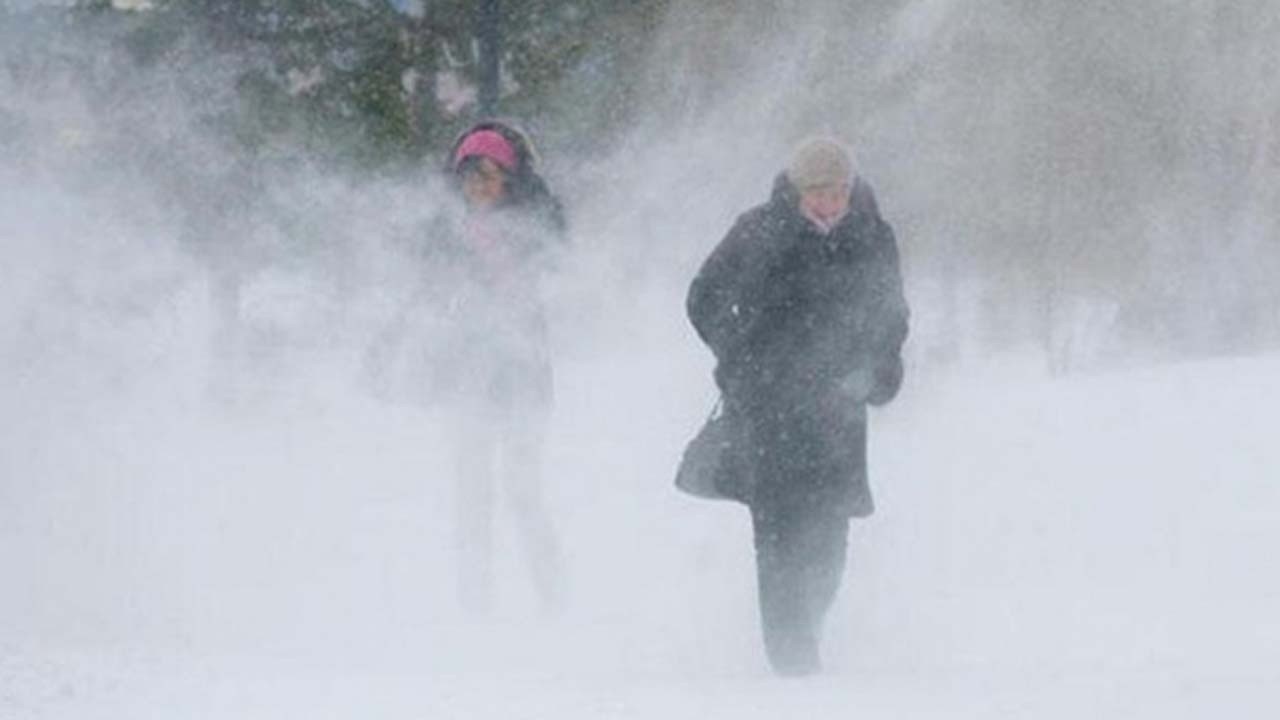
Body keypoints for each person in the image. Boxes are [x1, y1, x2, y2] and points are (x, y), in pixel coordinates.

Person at [686, 137, 909, 675]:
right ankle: (792, 669)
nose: (828, 202)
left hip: (839, 410)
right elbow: (703, 297)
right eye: (816, 191)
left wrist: (877, 369)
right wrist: (741, 358)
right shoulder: (758, 231)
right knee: (779, 536)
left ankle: (808, 632)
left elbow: (892, 314)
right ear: (796, 190)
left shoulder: (873, 236)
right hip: (769, 411)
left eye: (836, 191)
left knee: (830, 541)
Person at [377, 120, 567, 614]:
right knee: (471, 493)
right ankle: (475, 604)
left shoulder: (536, 220)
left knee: (523, 491)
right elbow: (429, 292)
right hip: (467, 376)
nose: (479, 188)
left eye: (489, 175)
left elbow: (557, 268)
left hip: (522, 376)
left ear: (511, 178)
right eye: (470, 178)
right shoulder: (446, 229)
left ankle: (553, 599)